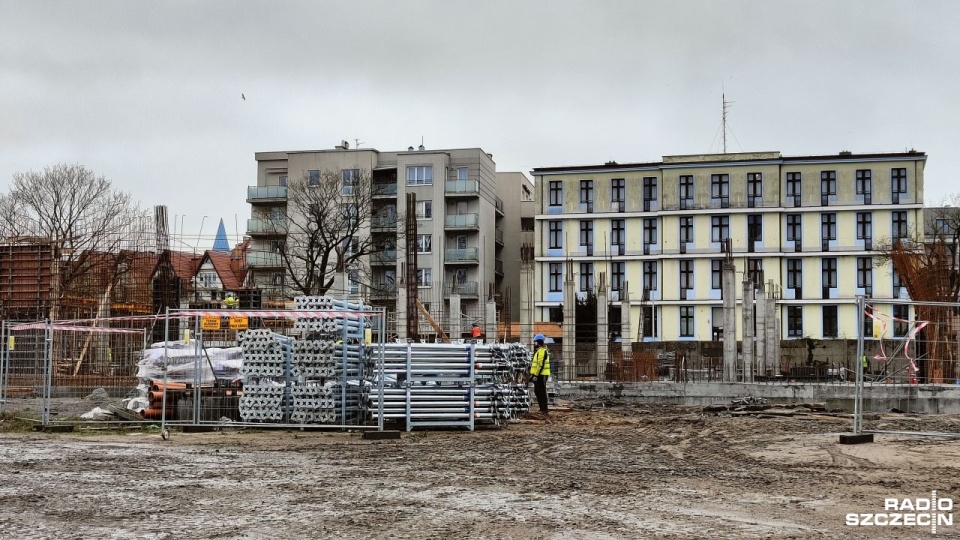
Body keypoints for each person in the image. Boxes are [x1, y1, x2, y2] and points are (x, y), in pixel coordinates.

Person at [529, 333, 551, 420]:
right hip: (539, 374)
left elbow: (540, 364)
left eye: (535, 342)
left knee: (541, 391)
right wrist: (533, 374)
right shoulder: (539, 351)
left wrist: (536, 375)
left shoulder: (542, 351)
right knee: (537, 391)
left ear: (539, 342)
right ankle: (542, 409)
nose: (534, 343)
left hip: (542, 374)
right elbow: (535, 365)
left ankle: (544, 409)